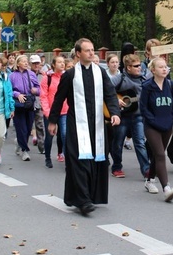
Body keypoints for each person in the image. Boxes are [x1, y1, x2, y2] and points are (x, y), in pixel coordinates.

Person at [47, 38, 121, 216]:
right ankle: (83, 200)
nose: (91, 53)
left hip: (96, 125)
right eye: (87, 50)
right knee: (79, 161)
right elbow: (59, 99)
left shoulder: (100, 72)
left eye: (92, 50)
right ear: (78, 54)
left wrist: (115, 112)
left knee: (95, 159)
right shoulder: (70, 75)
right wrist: (53, 121)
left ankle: (90, 196)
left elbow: (110, 94)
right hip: (76, 124)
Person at [139, 56, 173, 202]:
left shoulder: (171, 85)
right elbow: (143, 108)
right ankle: (166, 188)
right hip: (152, 126)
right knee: (161, 154)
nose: (164, 69)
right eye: (161, 67)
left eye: (165, 66)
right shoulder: (147, 86)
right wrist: (153, 121)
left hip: (167, 125)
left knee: (158, 155)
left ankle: (149, 180)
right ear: (153, 70)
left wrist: (172, 118)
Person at [110, 54, 150, 179]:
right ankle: (116, 167)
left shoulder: (144, 80)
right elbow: (106, 88)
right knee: (118, 143)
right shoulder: (120, 78)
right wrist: (116, 99)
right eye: (136, 66)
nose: (140, 68)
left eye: (140, 65)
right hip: (122, 117)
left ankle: (146, 170)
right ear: (128, 68)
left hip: (138, 116)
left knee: (140, 143)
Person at [9, 54, 40, 161]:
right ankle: (24, 150)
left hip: (30, 102)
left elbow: (39, 88)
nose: (26, 63)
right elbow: (9, 90)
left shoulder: (31, 74)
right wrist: (17, 94)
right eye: (23, 61)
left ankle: (20, 142)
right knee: (21, 127)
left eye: (27, 61)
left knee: (28, 128)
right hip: (18, 103)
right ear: (18, 64)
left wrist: (36, 91)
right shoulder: (12, 76)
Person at [40, 55, 68, 168]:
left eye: (63, 62)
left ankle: (67, 160)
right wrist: (47, 112)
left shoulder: (67, 77)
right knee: (50, 135)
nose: (62, 64)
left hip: (65, 111)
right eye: (59, 62)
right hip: (51, 112)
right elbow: (43, 96)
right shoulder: (48, 78)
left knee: (65, 135)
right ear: (53, 65)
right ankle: (47, 157)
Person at [28, 54, 46, 155]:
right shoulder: (26, 74)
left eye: (37, 63)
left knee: (40, 125)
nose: (36, 65)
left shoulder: (43, 75)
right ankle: (21, 145)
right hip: (28, 104)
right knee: (27, 127)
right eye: (34, 63)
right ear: (30, 64)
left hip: (39, 103)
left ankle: (42, 147)